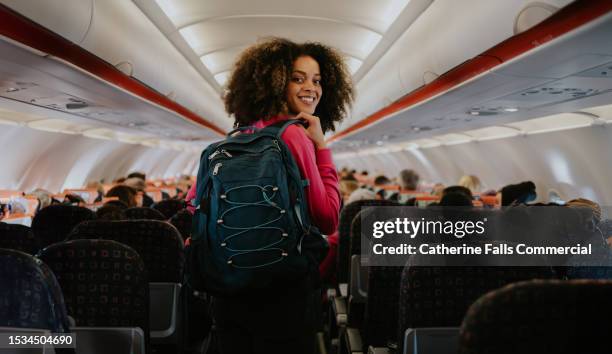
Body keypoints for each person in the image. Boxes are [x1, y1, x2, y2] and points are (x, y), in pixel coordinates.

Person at [186, 38, 353, 354]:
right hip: (282, 292)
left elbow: (195, 201)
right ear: (275, 82)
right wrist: (321, 148)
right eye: (298, 78)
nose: (311, 88)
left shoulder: (238, 135)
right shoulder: (293, 135)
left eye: (317, 80)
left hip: (228, 286)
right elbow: (328, 217)